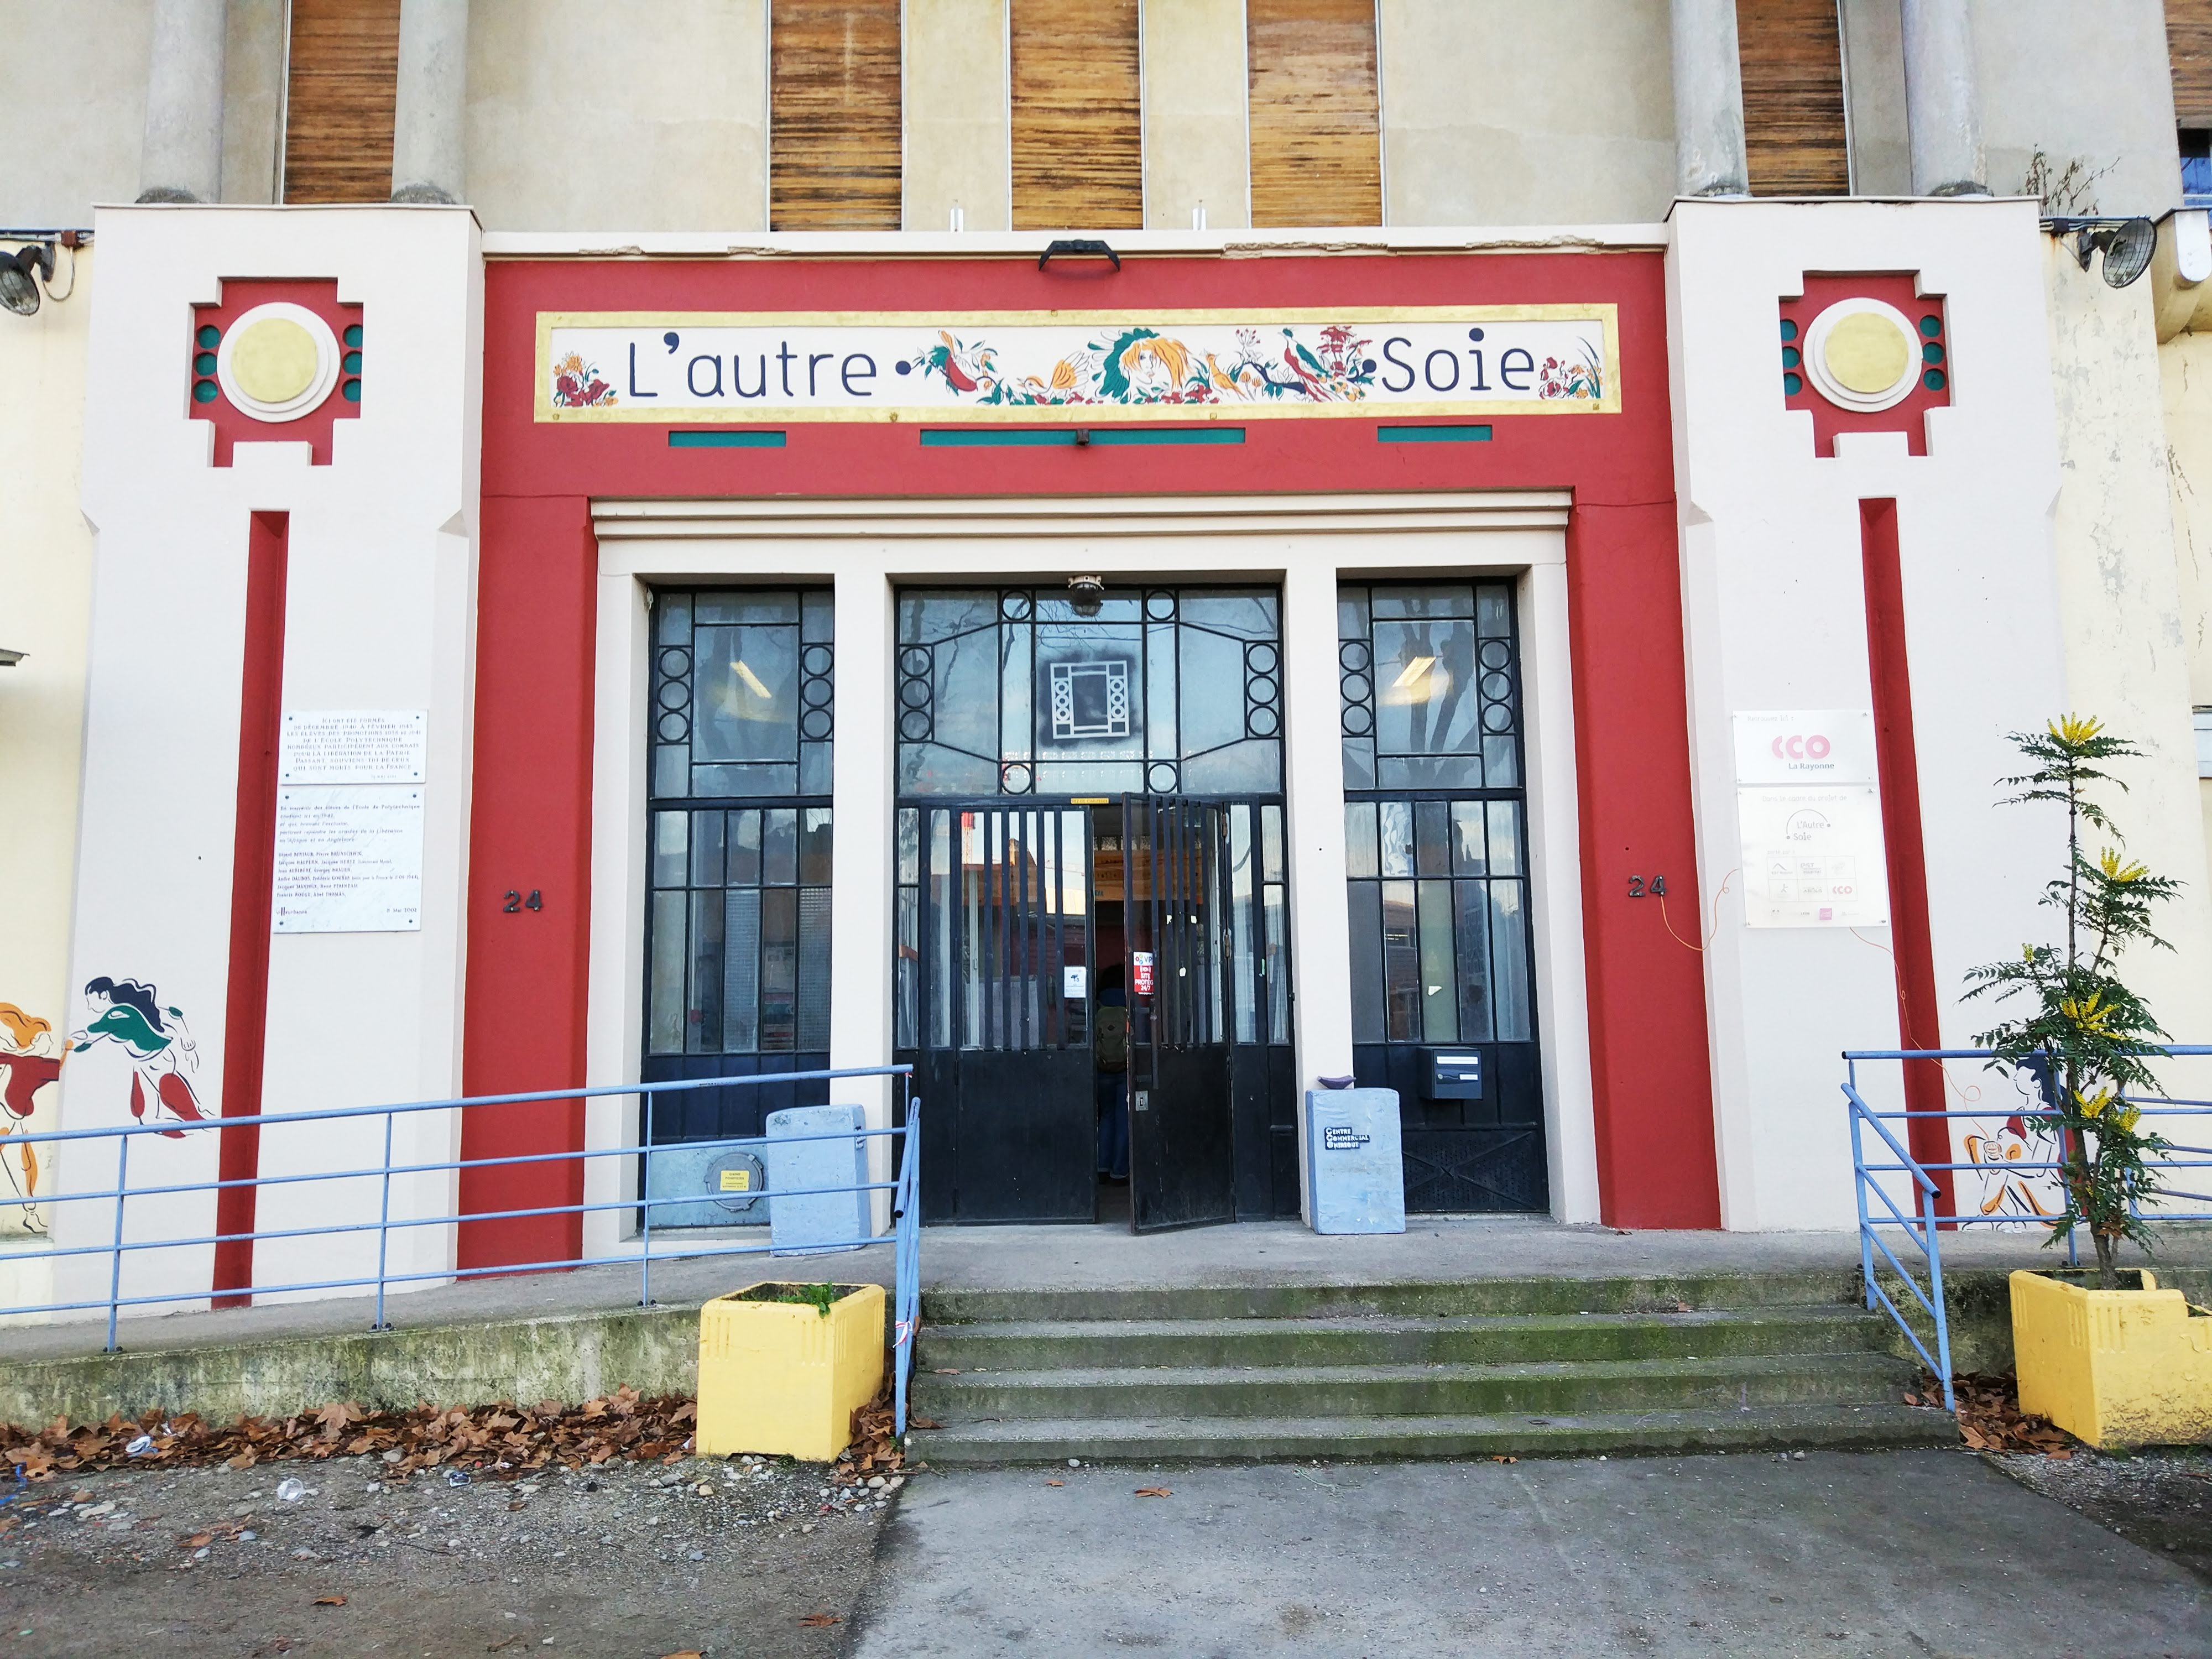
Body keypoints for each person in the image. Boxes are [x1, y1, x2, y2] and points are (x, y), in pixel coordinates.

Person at [71, 977, 205, 1138]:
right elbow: (172, 1014)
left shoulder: (116, 1015)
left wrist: (70, 1043)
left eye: (91, 1001)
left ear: (104, 995)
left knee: (171, 1108)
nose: (89, 1007)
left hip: (156, 1062)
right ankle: (193, 1130)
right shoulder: (125, 1008)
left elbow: (90, 1034)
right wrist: (186, 1041)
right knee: (145, 1116)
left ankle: (196, 1130)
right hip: (145, 1063)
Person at [1093, 964, 1130, 1183]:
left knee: (1106, 1116)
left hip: (1102, 1069)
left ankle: (1102, 1166)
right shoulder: (1129, 1002)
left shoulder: (1099, 1004)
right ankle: (1119, 1170)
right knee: (1124, 1118)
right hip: (1125, 1069)